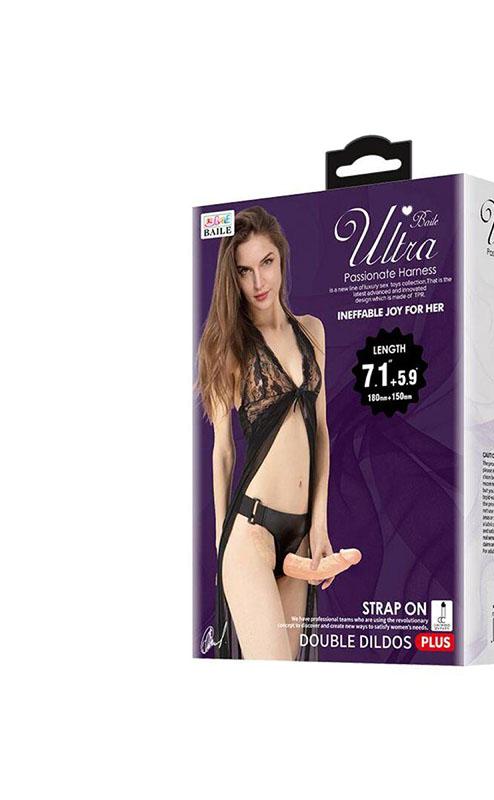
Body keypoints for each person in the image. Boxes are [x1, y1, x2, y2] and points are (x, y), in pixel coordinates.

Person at [197, 206, 335, 660]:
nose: (258, 281)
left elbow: (321, 432)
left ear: (281, 258)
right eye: (244, 270)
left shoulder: (312, 333)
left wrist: (319, 526)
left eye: (267, 262)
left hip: (299, 536)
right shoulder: (229, 347)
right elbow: (222, 453)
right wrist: (220, 541)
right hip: (250, 530)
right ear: (232, 278)